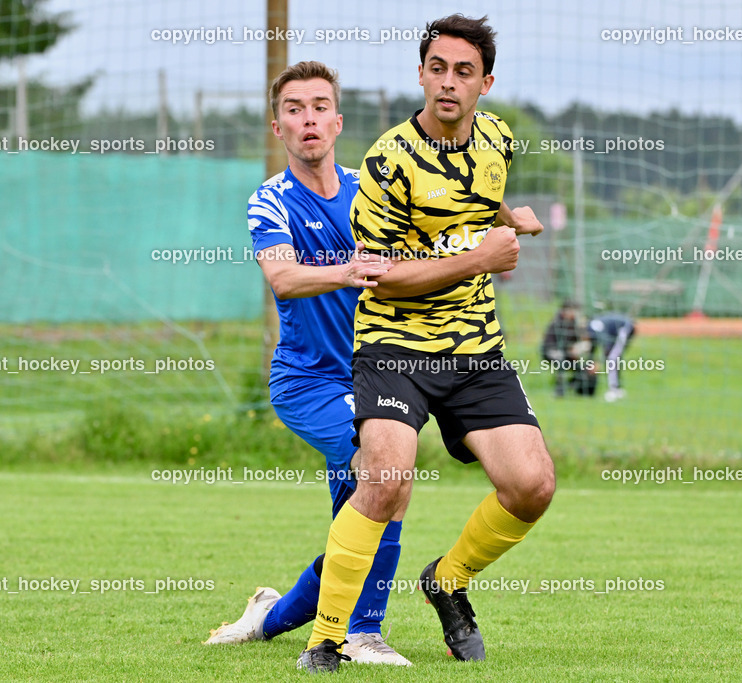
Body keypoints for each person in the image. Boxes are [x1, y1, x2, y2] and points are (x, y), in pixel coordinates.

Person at [296, 15, 556, 673]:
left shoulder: (496, 138)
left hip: (475, 349)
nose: (448, 81)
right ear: (420, 74)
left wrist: (510, 218)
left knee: (532, 485)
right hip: (395, 343)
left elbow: (476, 198)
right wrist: (480, 258)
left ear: (485, 83)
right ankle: (326, 638)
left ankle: (448, 578)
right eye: (436, 67)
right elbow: (377, 275)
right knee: (385, 480)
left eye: (463, 71)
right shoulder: (389, 161)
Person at [202, 61, 411, 666]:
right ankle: (363, 633)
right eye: (294, 108)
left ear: (338, 121)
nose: (308, 118)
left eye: (320, 106)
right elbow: (283, 278)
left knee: (369, 505)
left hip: (376, 375)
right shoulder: (270, 200)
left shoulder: (370, 192)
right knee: (385, 474)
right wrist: (347, 270)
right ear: (278, 126)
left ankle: (270, 617)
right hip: (307, 381)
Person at [541, 300, 596, 397]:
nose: (575, 313)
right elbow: (554, 345)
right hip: (551, 351)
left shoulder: (575, 324)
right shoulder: (557, 323)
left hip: (568, 353)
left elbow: (582, 339)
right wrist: (570, 351)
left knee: (583, 366)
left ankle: (575, 387)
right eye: (573, 311)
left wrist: (582, 331)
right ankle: (559, 390)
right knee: (561, 360)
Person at [588, 312, 636, 402]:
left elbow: (607, 343)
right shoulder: (592, 328)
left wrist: (598, 361)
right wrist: (592, 361)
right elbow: (593, 347)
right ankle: (616, 388)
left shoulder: (593, 327)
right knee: (613, 358)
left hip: (625, 328)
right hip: (620, 330)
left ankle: (614, 389)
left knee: (612, 358)